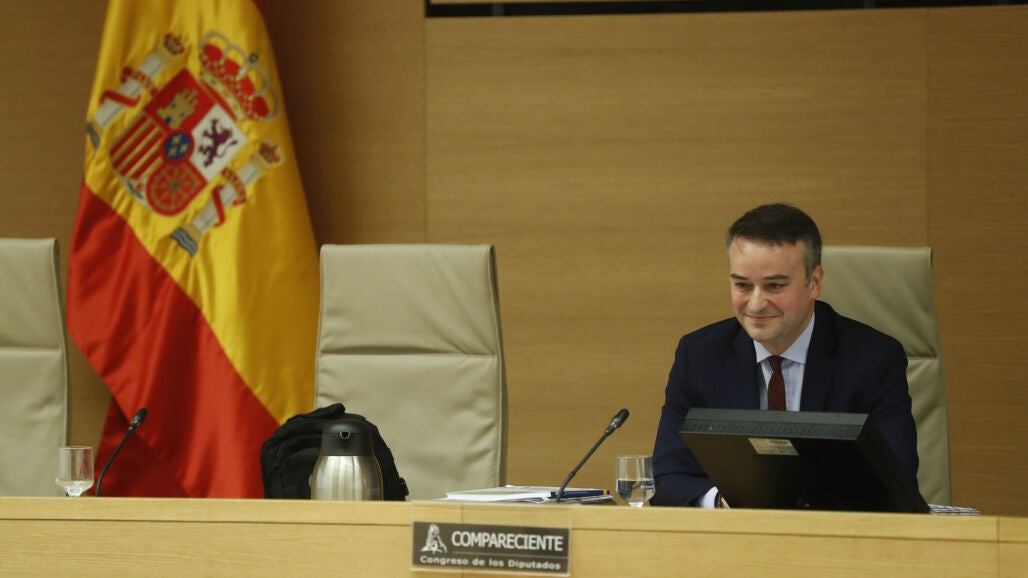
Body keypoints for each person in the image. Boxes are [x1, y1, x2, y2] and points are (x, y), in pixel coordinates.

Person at [651, 203, 918, 508]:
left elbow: (897, 482)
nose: (755, 304)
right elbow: (668, 479)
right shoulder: (699, 357)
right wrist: (726, 501)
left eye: (774, 286)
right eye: (742, 285)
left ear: (814, 282)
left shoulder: (873, 360)